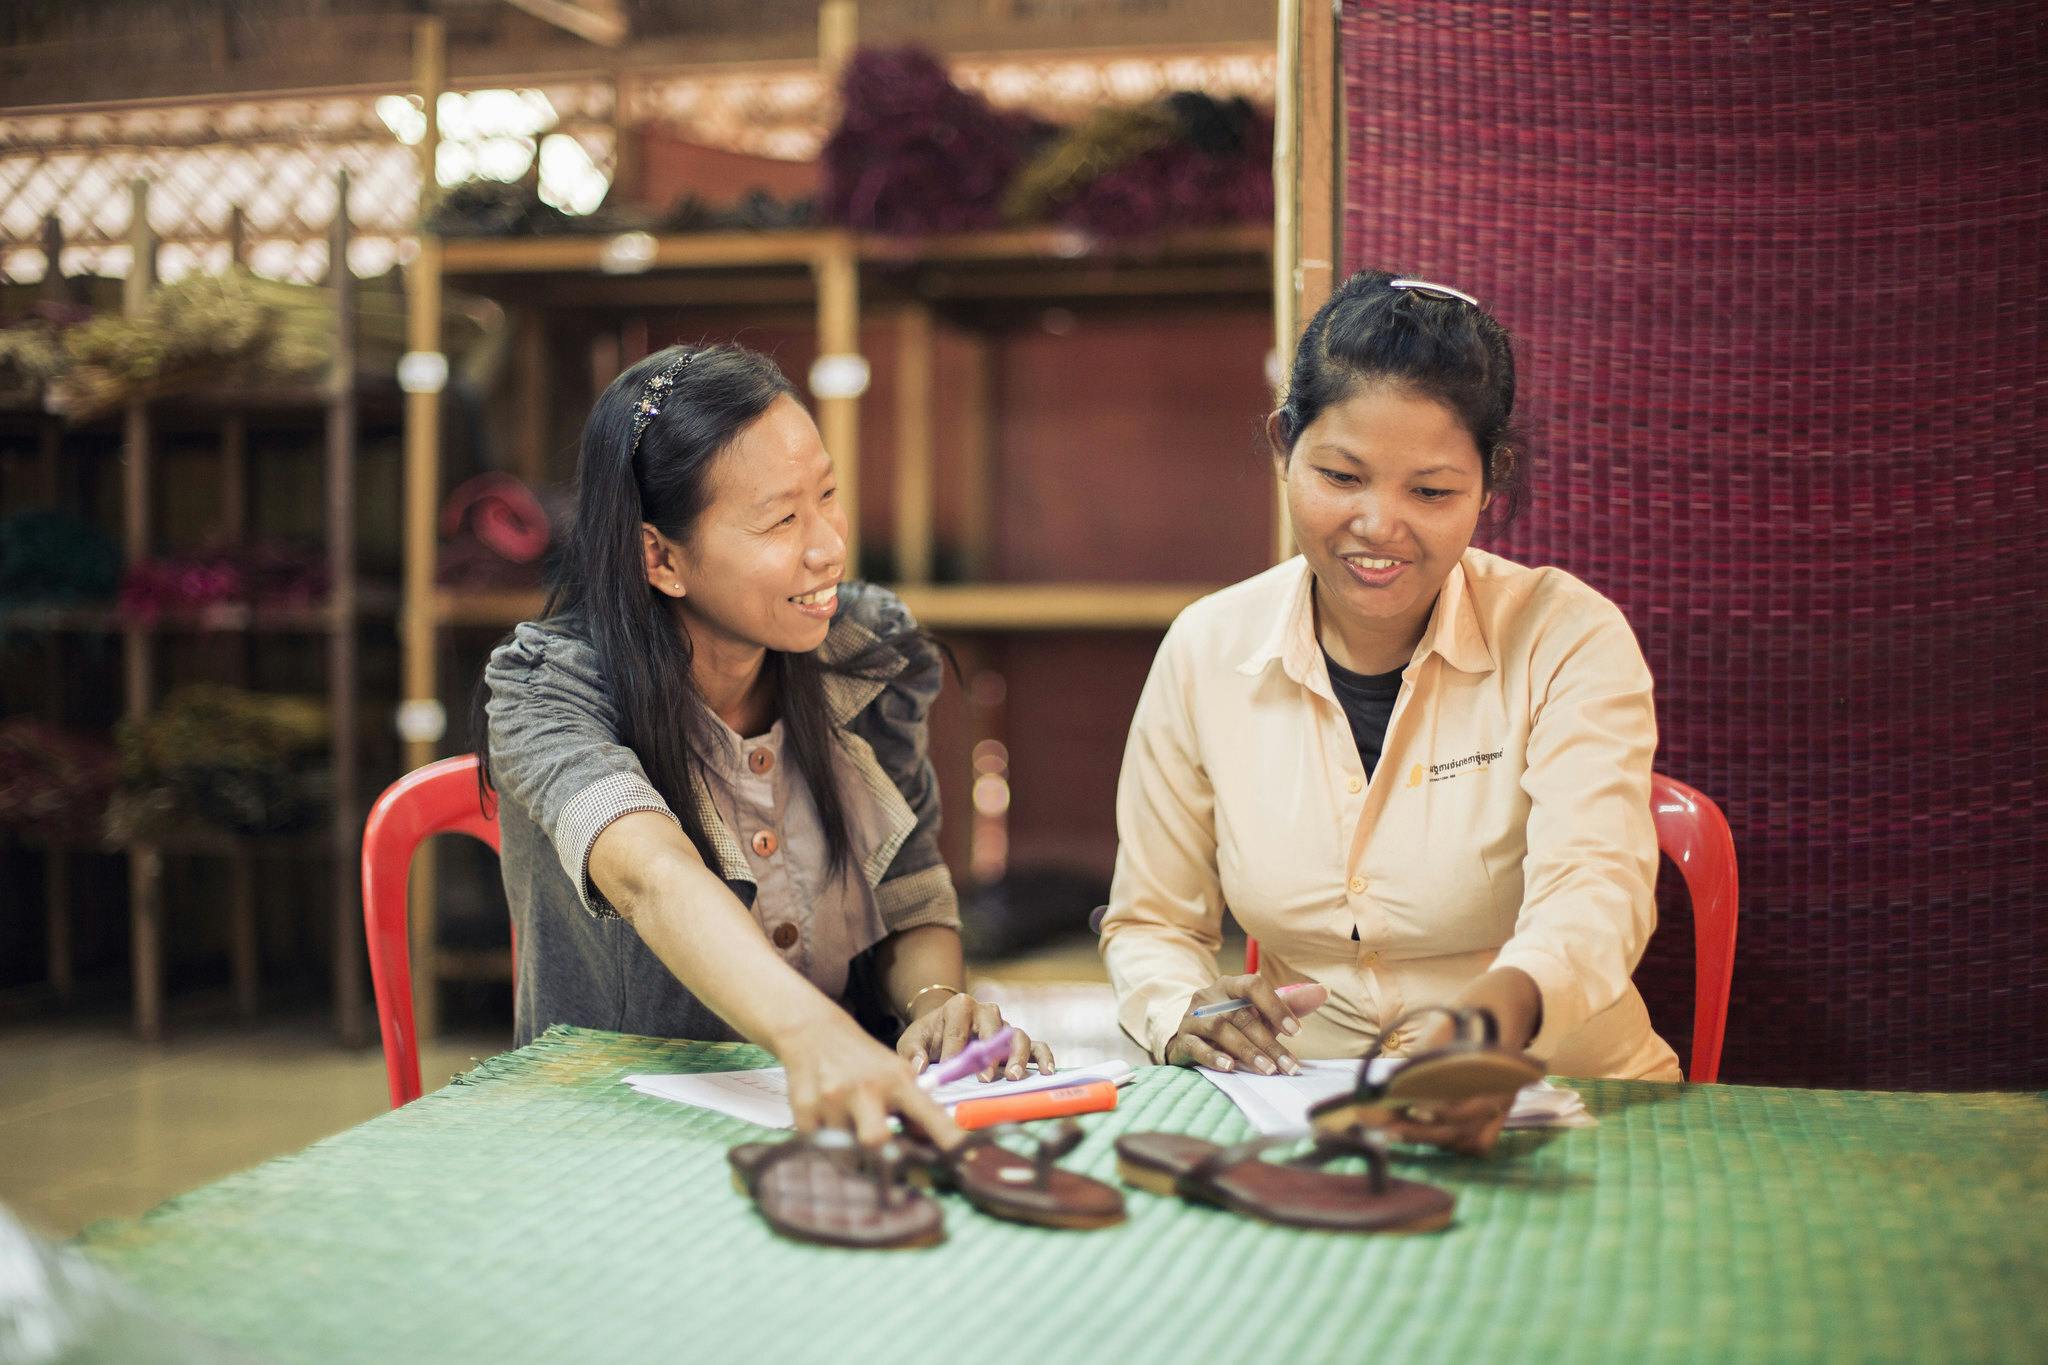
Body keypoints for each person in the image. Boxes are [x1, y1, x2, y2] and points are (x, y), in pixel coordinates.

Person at [1099, 270, 1681, 1155]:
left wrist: (1495, 1020)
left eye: (1432, 492)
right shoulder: (1206, 651)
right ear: (1284, 444)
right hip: (1314, 1117)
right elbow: (1152, 922)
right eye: (1341, 475)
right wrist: (1186, 1011)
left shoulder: (1566, 635)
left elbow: (1596, 889)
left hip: (1570, 1102)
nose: (1379, 525)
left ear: (1491, 481)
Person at [480, 342, 1049, 1148]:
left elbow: (910, 893)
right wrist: (814, 1034)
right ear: (660, 557)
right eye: (782, 518)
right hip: (618, 1135)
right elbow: (651, 875)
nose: (828, 546)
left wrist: (935, 1008)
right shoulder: (549, 688)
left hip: (843, 1123)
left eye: (828, 495)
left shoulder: (862, 650)